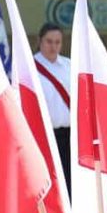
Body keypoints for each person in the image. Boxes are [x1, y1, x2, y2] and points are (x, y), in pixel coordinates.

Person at [34, 23, 73, 194]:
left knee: (69, 181)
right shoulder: (29, 66)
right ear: (40, 41)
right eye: (49, 41)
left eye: (57, 42)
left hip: (69, 134)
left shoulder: (69, 65)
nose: (53, 46)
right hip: (43, 134)